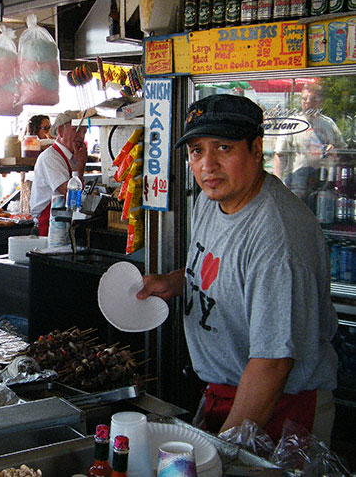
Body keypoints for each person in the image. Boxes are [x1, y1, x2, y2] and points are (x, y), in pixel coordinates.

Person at [136, 94, 337, 445]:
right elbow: (225, 271)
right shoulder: (211, 199)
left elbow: (273, 364)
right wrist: (176, 281)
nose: (207, 166)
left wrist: (223, 449)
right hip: (225, 391)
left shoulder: (278, 240)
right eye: (197, 151)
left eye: (224, 148)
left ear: (256, 149)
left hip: (280, 407)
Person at [273, 83, 344, 204]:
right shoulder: (291, 124)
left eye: (313, 99)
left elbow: (343, 152)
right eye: (304, 98)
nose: (308, 102)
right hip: (297, 184)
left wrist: (335, 151)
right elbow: (280, 155)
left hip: (324, 183)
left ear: (320, 101)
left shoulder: (329, 124)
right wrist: (277, 187)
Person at [30, 110, 87, 236]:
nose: (81, 136)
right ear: (61, 131)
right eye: (77, 130)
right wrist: (81, 164)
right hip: (48, 224)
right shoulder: (50, 157)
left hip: (62, 222)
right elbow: (69, 192)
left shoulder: (71, 157)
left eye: (84, 132)